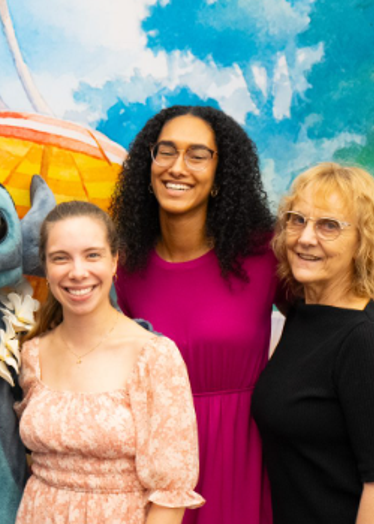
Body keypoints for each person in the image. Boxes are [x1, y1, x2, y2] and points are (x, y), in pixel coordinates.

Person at [111, 105, 281, 524]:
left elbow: (323, 330)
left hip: (245, 457)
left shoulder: (265, 254)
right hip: (158, 464)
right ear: (149, 166)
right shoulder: (124, 267)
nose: (177, 167)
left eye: (197, 155)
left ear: (221, 175)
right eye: (166, 151)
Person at [15, 200, 204, 524]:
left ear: (115, 260)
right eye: (61, 258)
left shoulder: (154, 356)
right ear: (45, 267)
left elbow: (170, 497)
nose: (77, 272)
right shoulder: (31, 354)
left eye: (92, 255)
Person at [251, 163, 374, 523]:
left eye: (329, 226)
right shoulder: (303, 314)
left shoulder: (367, 339)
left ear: (363, 242)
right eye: (297, 220)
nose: (306, 238)